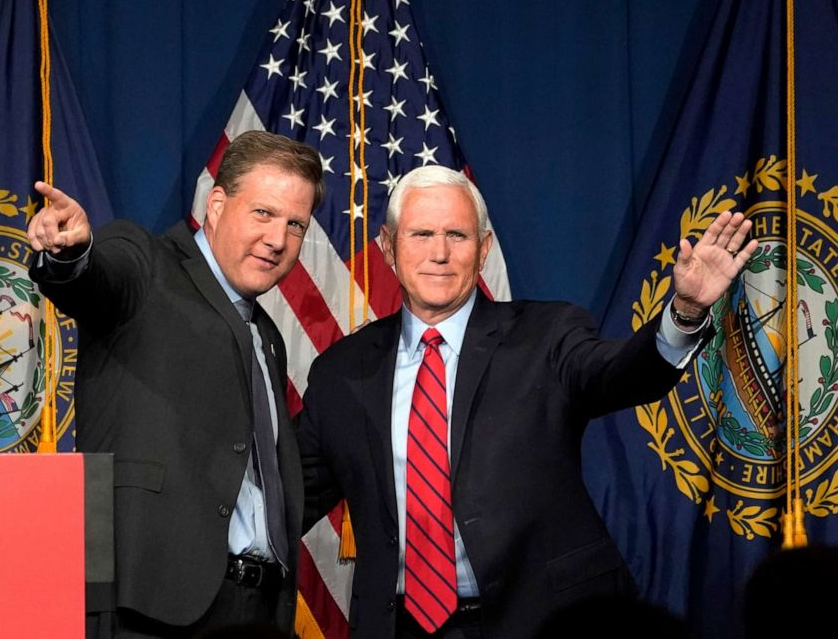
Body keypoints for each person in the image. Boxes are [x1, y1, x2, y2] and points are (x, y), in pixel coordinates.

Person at [297, 165, 758, 638]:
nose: (439, 253)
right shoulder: (342, 371)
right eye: (422, 234)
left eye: (457, 235)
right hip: (400, 628)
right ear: (388, 247)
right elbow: (288, 495)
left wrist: (686, 311)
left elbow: (623, 374)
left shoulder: (548, 336)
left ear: (484, 250)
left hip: (541, 620)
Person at [27, 131, 324, 637]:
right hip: (149, 607)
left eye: (295, 224)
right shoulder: (147, 263)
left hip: (255, 612)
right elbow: (98, 277)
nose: (278, 239)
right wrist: (70, 255)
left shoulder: (266, 335)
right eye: (263, 214)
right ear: (215, 205)